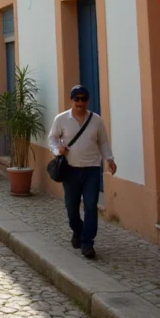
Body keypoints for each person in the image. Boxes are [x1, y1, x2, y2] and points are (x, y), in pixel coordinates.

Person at [48, 85, 116, 260]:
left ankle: (87, 243)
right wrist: (57, 151)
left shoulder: (96, 120)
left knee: (91, 206)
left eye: (83, 99)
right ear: (71, 100)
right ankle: (78, 230)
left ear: (87, 100)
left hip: (92, 170)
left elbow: (103, 142)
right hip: (70, 170)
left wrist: (109, 159)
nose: (80, 102)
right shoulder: (61, 119)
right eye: (76, 99)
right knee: (71, 207)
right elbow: (52, 139)